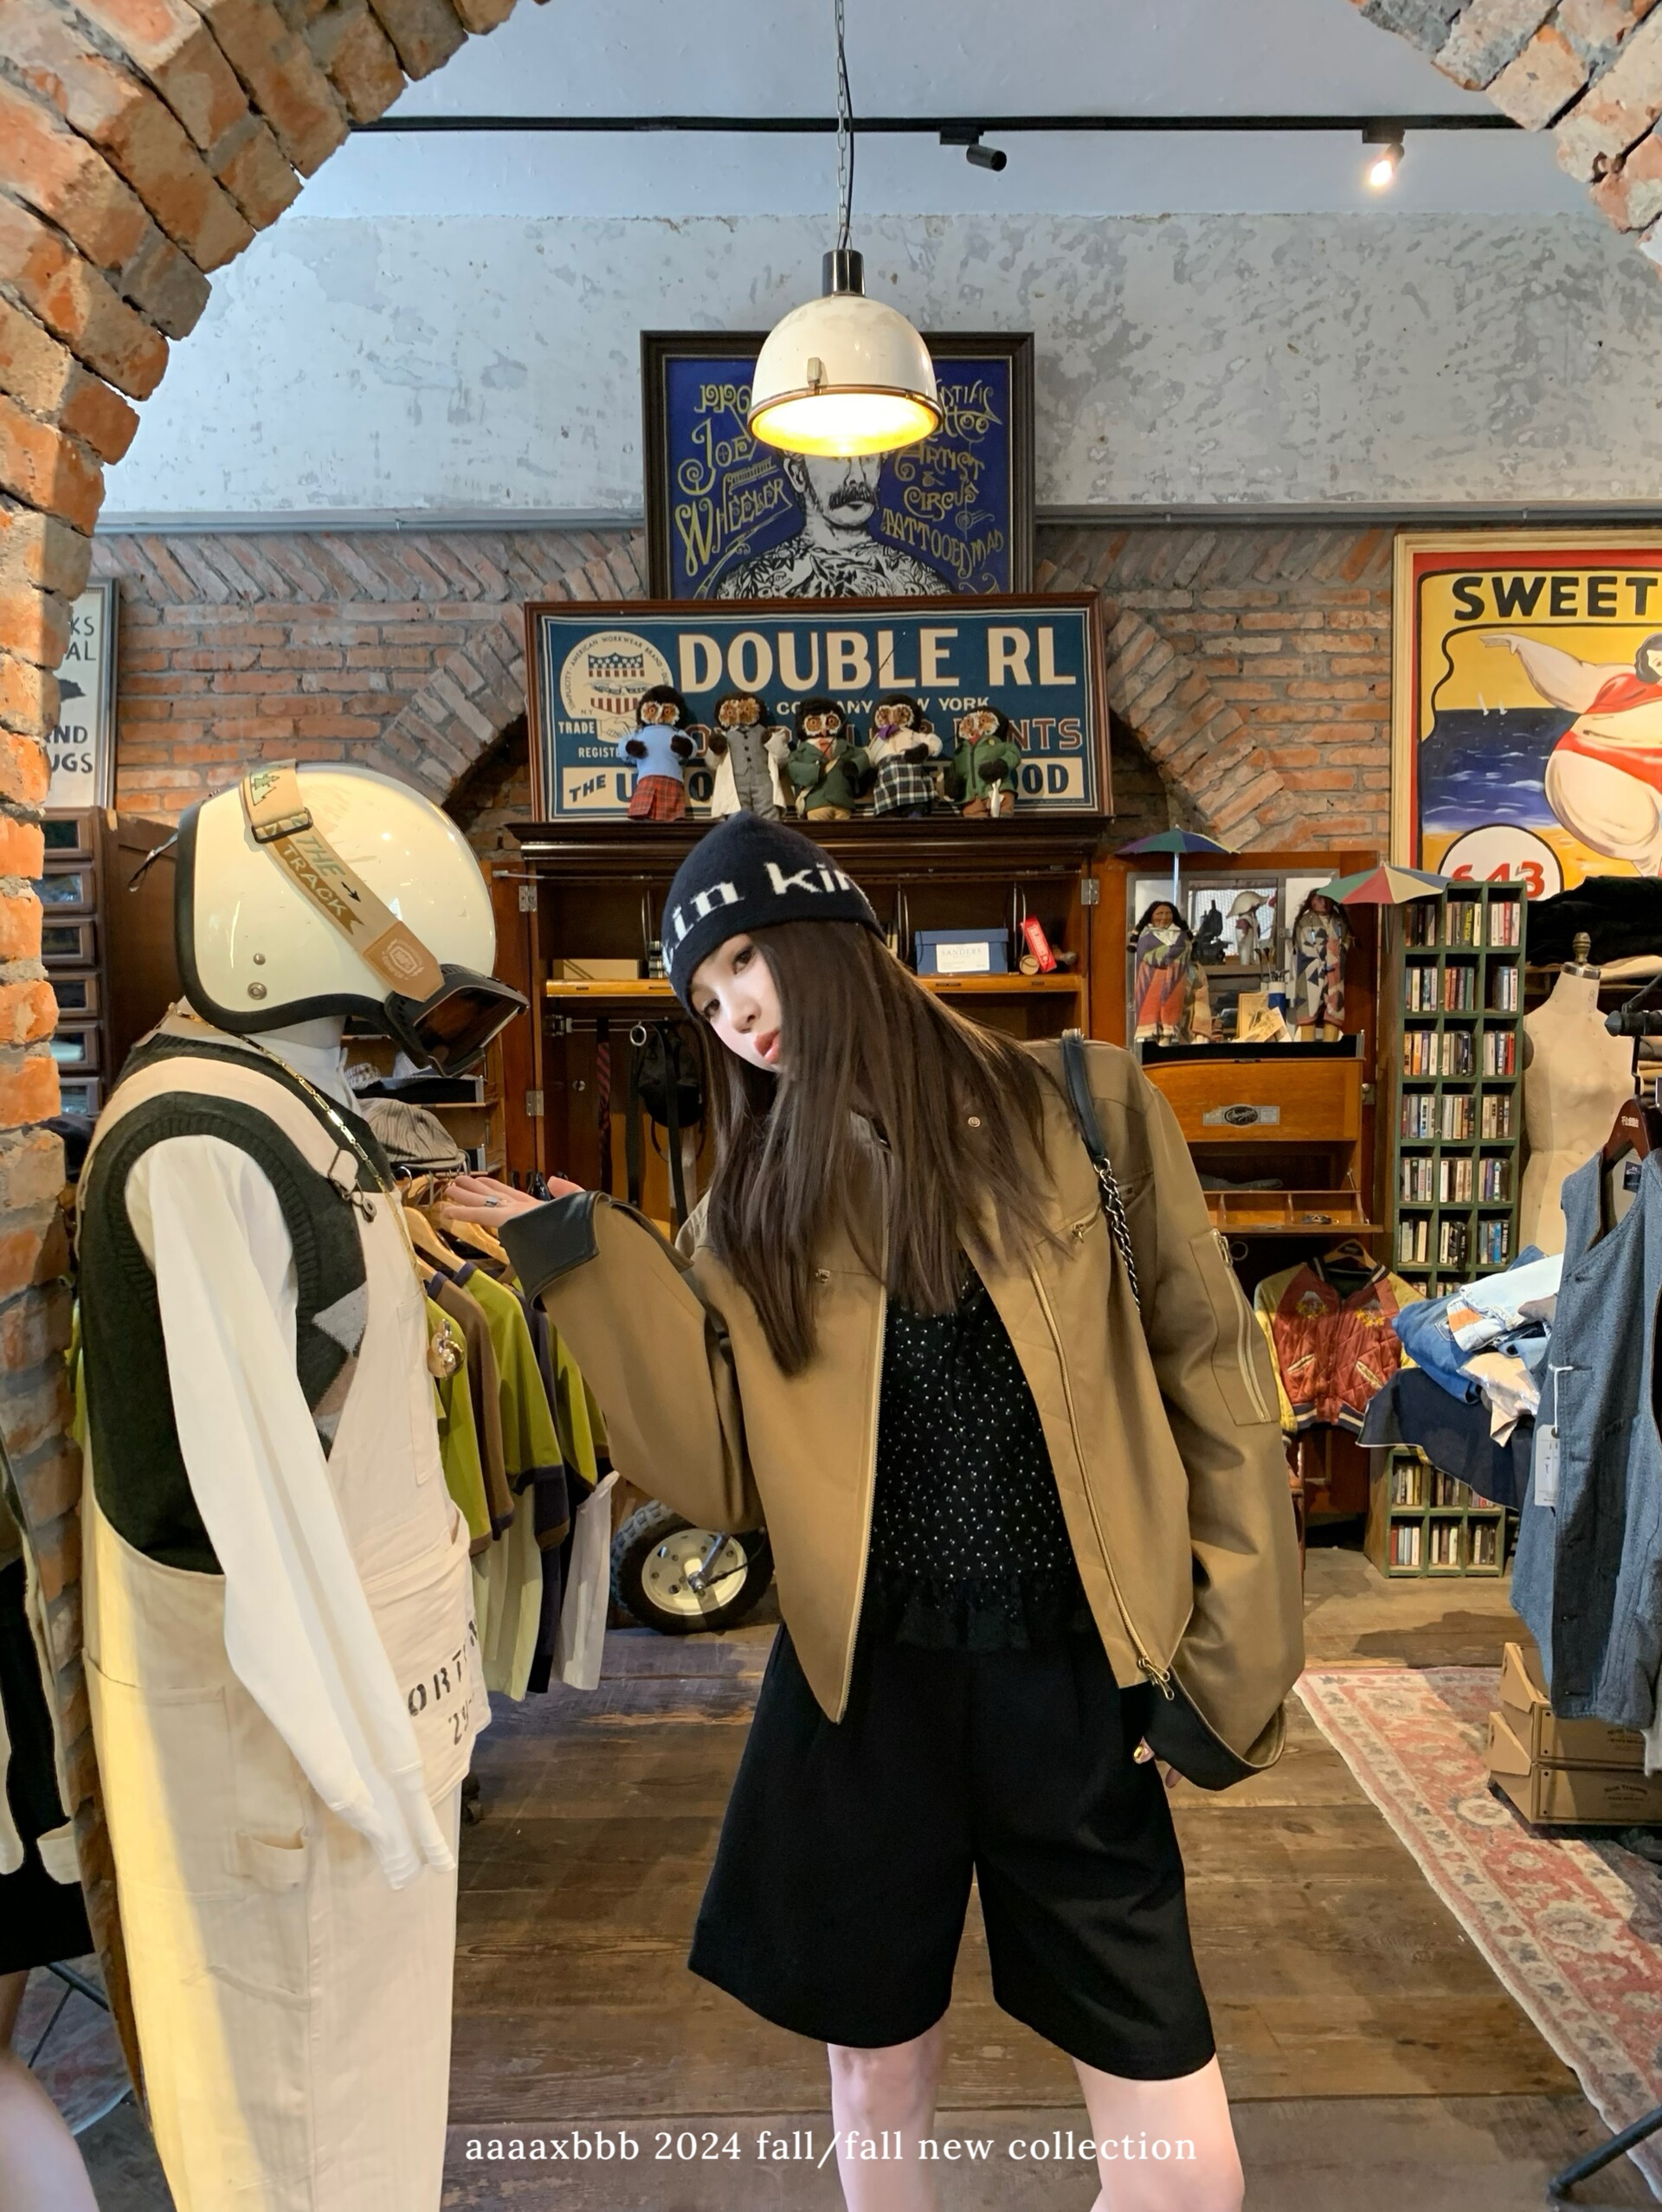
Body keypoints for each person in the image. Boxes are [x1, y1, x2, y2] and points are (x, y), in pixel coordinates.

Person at [446, 813, 1301, 2212]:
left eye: (742, 963)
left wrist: (1232, 1650)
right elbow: (727, 1477)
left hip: (1072, 1673)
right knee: (874, 2079)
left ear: (824, 928)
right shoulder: (751, 1205)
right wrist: (577, 1261)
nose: (734, 1015)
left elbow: (1212, 1374)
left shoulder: (1083, 1104)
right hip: (864, 1686)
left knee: (1188, 2175)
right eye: (704, 999)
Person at [1485, 629, 1662, 875]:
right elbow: (1571, 677)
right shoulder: (1620, 679)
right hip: (1586, 769)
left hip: (1635, 783)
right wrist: (1523, 646)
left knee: (1653, 851)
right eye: (1658, 663)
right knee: (1646, 831)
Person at [715, 453, 950, 600]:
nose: (857, 477)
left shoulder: (922, 584)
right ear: (797, 475)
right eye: (836, 458)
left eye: (868, 458)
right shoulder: (743, 587)